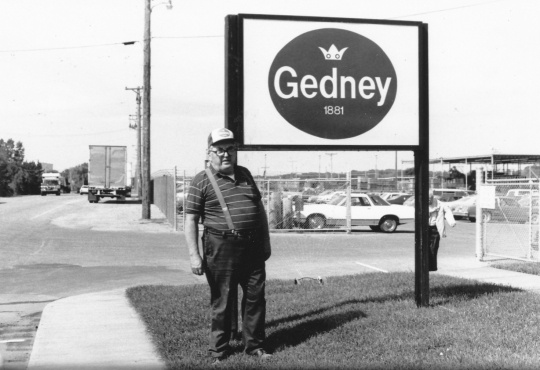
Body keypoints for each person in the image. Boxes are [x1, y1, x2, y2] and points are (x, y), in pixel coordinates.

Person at [184, 127, 272, 364]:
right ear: (209, 152)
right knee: (222, 300)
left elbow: (260, 210)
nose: (225, 155)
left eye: (230, 149)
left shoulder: (245, 174)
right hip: (221, 245)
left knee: (256, 297)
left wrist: (265, 242)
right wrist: (195, 256)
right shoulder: (201, 180)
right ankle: (218, 352)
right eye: (220, 150)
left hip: (252, 245)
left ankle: (255, 346)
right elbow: (190, 220)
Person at [428, 191, 456, 271]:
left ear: (432, 198)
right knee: (424, 248)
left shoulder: (440, 204)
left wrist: (452, 222)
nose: (428, 201)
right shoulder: (422, 204)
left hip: (435, 229)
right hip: (425, 228)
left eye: (429, 199)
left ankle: (432, 267)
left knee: (433, 248)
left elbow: (448, 212)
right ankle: (425, 266)